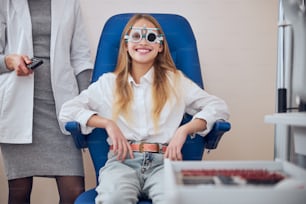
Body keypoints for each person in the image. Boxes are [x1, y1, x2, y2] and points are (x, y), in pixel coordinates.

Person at [59, 14, 229, 204]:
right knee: (114, 198)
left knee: (173, 199)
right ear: (126, 44)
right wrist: (106, 123)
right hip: (121, 162)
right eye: (136, 36)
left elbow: (217, 106)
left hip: (164, 164)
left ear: (160, 46)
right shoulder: (108, 84)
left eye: (150, 37)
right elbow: (68, 110)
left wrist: (185, 129)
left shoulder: (175, 82)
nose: (143, 42)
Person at [0, 0, 93, 203]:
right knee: (19, 191)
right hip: (18, 108)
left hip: (62, 108)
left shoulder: (69, 3)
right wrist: (9, 61)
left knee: (74, 191)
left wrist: (86, 106)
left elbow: (81, 58)